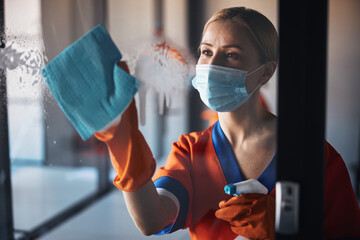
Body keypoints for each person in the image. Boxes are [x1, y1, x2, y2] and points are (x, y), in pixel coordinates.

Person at [95, 7, 360, 240]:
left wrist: (287, 230)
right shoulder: (190, 152)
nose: (212, 65)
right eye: (206, 52)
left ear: (266, 71)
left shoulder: (313, 155)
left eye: (231, 55)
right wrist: (122, 143)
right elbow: (151, 220)